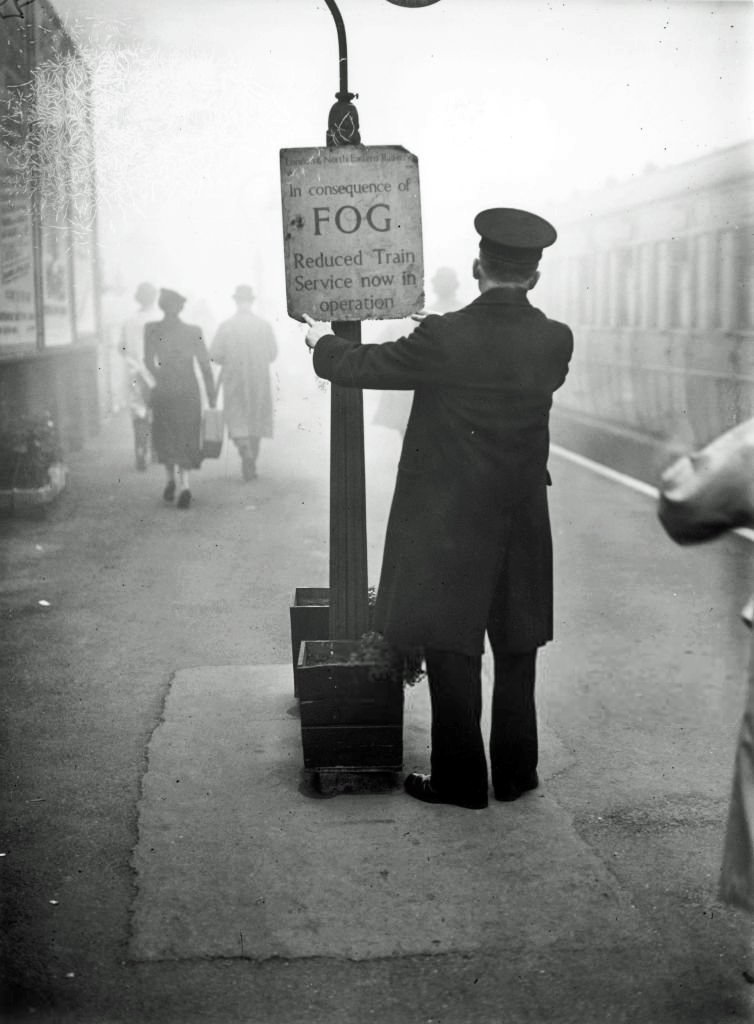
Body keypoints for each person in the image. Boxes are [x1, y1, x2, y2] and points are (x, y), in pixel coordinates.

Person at [303, 208, 573, 810]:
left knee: (453, 646)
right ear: (534, 277)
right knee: (516, 646)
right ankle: (515, 773)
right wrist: (445, 333)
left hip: (453, 521)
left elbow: (363, 367)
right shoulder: (556, 340)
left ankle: (461, 780)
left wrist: (320, 340)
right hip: (523, 518)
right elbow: (499, 359)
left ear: (478, 267)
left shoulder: (444, 337)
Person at [144, 288, 216, 510]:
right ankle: (185, 485)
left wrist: (160, 377)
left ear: (161, 306)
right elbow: (205, 365)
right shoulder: (194, 331)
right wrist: (212, 395)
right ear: (181, 308)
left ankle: (169, 480)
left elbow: (147, 361)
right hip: (188, 390)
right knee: (186, 434)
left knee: (165, 434)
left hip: (164, 390)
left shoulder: (152, 329)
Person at [372, 266, 462, 439]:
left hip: (454, 392)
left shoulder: (463, 311)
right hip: (429, 387)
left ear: (454, 285)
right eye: (440, 281)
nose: (443, 285)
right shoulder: (424, 314)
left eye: (446, 281)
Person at [210, 284, 278, 481]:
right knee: (255, 420)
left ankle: (245, 452)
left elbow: (214, 354)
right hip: (259, 380)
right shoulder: (264, 326)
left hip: (234, 380)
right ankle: (251, 460)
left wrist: (229, 359)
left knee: (237, 419)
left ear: (236, 302)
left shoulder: (226, 326)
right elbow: (273, 354)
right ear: (251, 301)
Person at [119, 282, 158, 470]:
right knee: (157, 410)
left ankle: (141, 451)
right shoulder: (160, 319)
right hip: (156, 373)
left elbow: (122, 347)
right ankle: (157, 451)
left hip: (134, 372)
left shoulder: (129, 321)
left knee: (138, 412)